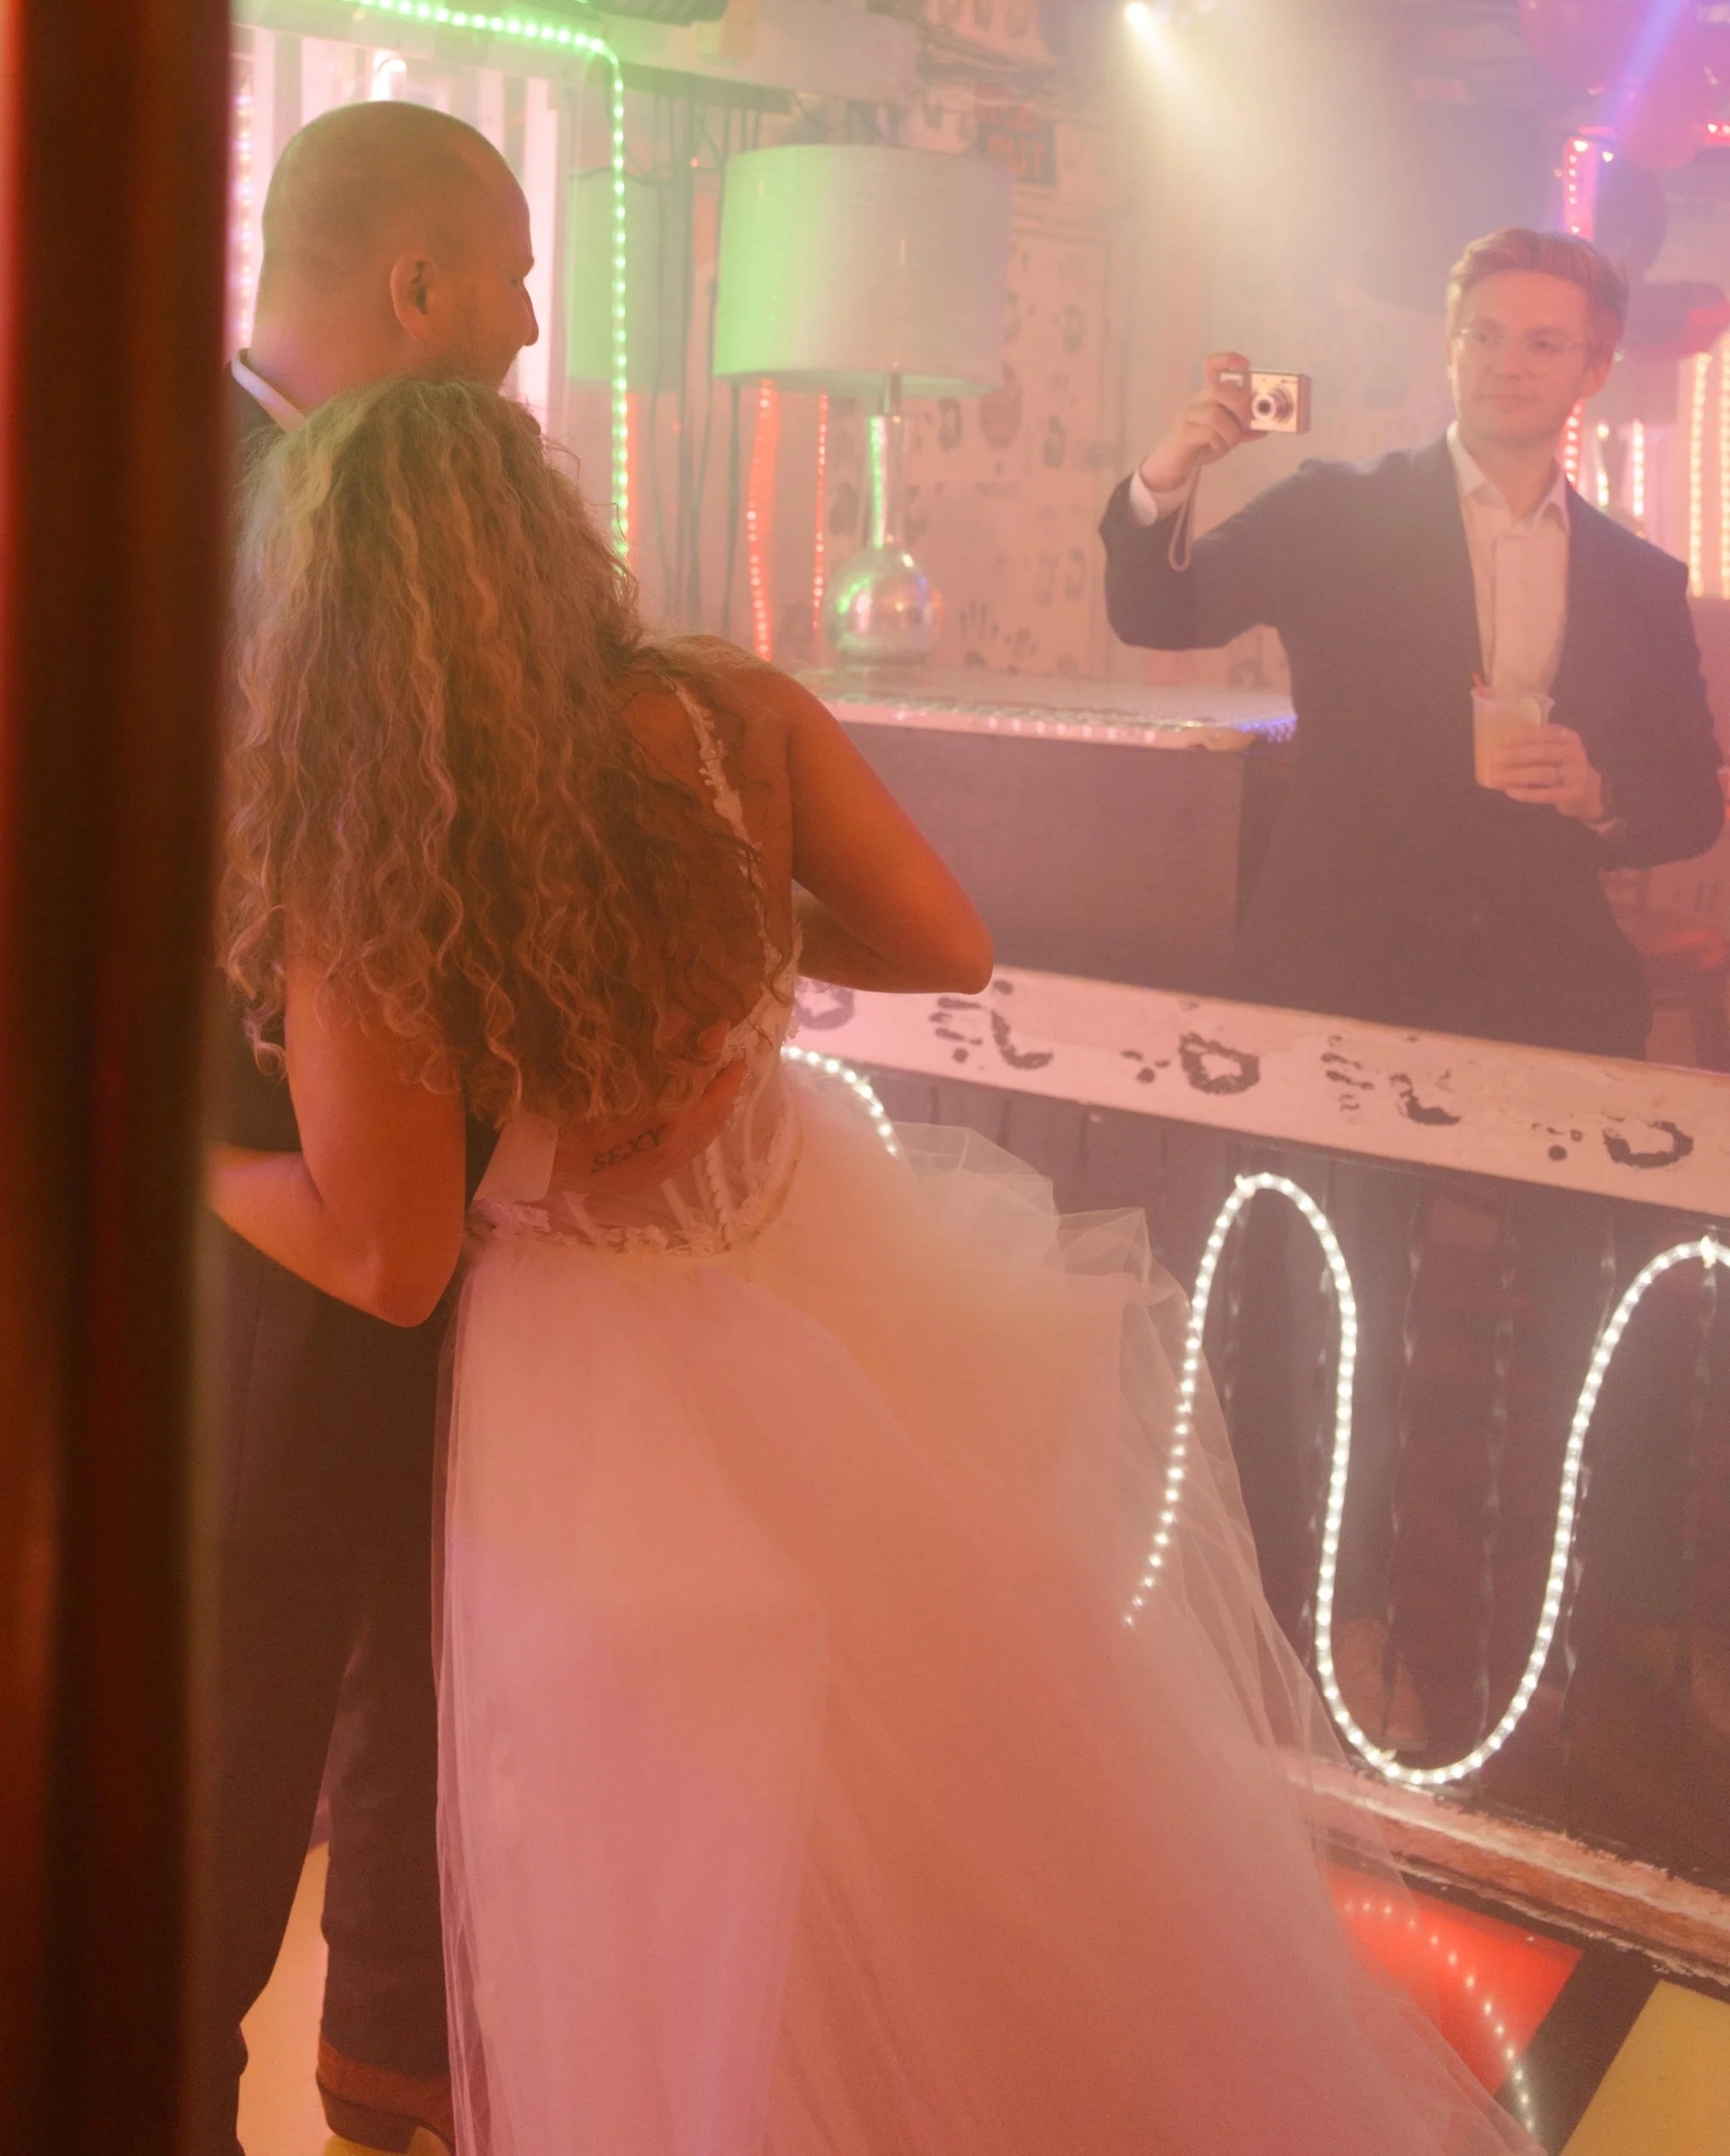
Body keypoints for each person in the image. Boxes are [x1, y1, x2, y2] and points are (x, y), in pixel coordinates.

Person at [209, 375, 1528, 2156]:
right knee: (927, 1786)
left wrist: (175, 1152)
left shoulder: (383, 835)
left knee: (661, 1846)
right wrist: (733, 941)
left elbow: (384, 1252)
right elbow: (941, 941)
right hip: (819, 1260)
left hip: (590, 1361)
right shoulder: (726, 709)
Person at [199, 101, 537, 2156]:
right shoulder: (227, 494)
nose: (521, 318)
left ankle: (386, 2081)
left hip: (400, 1194)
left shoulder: (399, 500)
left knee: (396, 1677)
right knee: (230, 1736)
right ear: (414, 278)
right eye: (504, 272)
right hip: (269, 1212)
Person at [1100, 225, 1721, 1054]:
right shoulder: (1335, 510)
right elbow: (1160, 616)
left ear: (1593, 370)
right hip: (1337, 977)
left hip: (1549, 993)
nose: (1509, 363)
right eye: (1485, 336)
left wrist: (1596, 795)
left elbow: (1690, 807)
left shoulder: (1638, 579)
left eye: (1544, 343)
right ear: (1451, 348)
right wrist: (1169, 470)